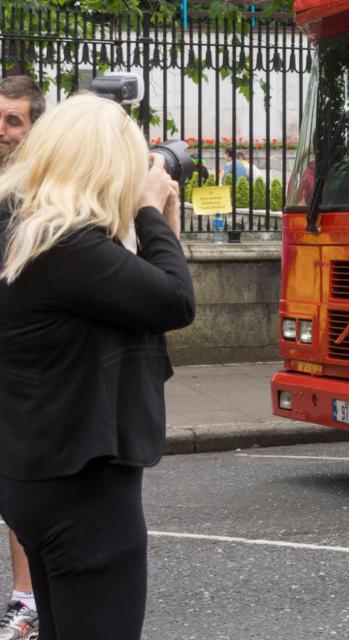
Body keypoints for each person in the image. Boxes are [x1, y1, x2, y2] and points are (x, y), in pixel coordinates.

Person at [0, 93, 195, 640]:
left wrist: (158, 226)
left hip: (36, 478)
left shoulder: (28, 233)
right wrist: (149, 210)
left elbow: (143, 300)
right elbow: (175, 301)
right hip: (85, 495)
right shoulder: (69, 250)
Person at [0, 75, 45, 640]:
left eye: (14, 120)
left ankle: (27, 599)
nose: (2, 130)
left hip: (22, 363)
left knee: (19, 481)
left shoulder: (36, 190)